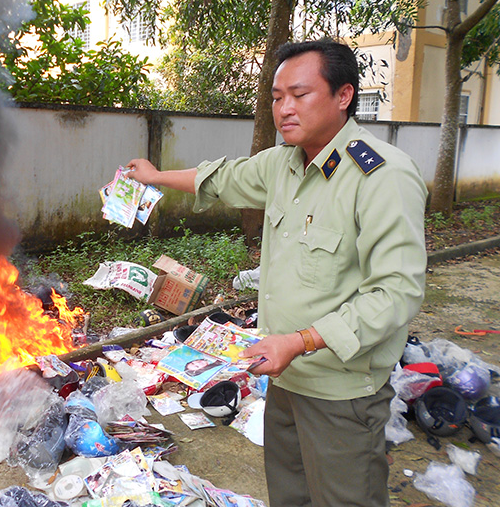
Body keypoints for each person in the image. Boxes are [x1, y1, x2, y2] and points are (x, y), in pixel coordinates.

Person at [125, 39, 427, 507]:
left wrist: (299, 341)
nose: (284, 109)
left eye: (299, 94)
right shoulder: (282, 163)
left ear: (343, 95)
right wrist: (155, 177)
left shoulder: (382, 176)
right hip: (284, 379)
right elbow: (219, 178)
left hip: (340, 391)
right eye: (276, 97)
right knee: (290, 496)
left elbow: (395, 293)